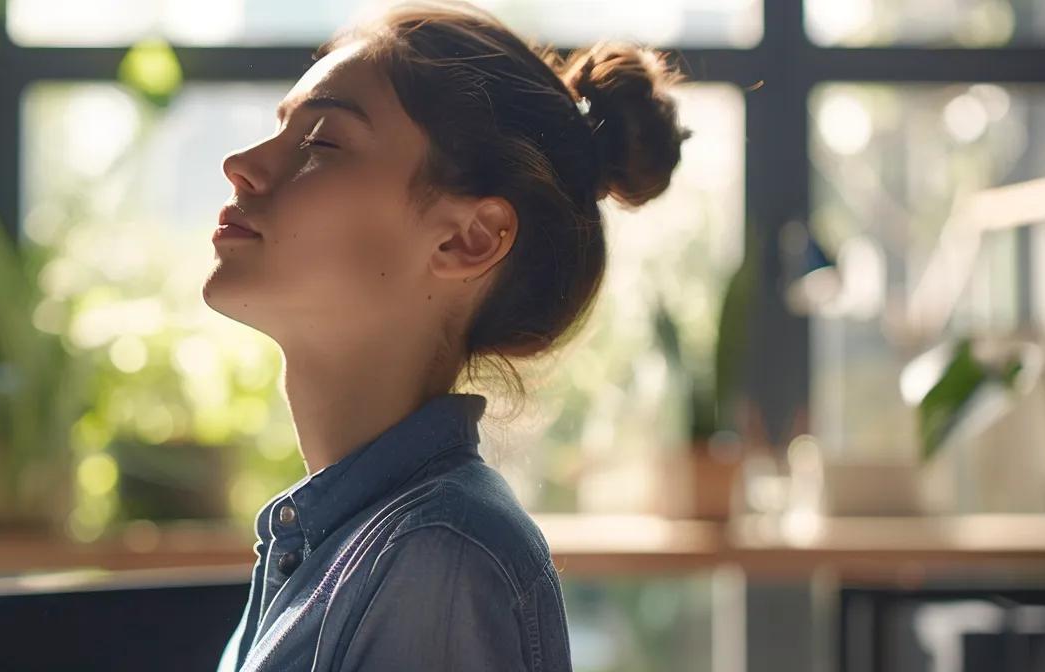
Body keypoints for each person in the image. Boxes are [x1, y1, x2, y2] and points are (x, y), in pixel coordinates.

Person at [204, 2, 690, 669]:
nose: (241, 163)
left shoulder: (438, 560)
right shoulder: (339, 545)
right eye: (281, 129)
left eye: (321, 142)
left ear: (470, 239)